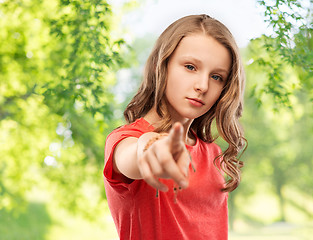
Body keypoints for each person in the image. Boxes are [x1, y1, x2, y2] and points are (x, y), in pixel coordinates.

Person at [103, 14, 246, 240]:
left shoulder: (213, 153)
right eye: (190, 67)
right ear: (162, 65)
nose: (203, 86)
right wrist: (148, 149)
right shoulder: (126, 138)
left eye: (217, 77)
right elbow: (133, 156)